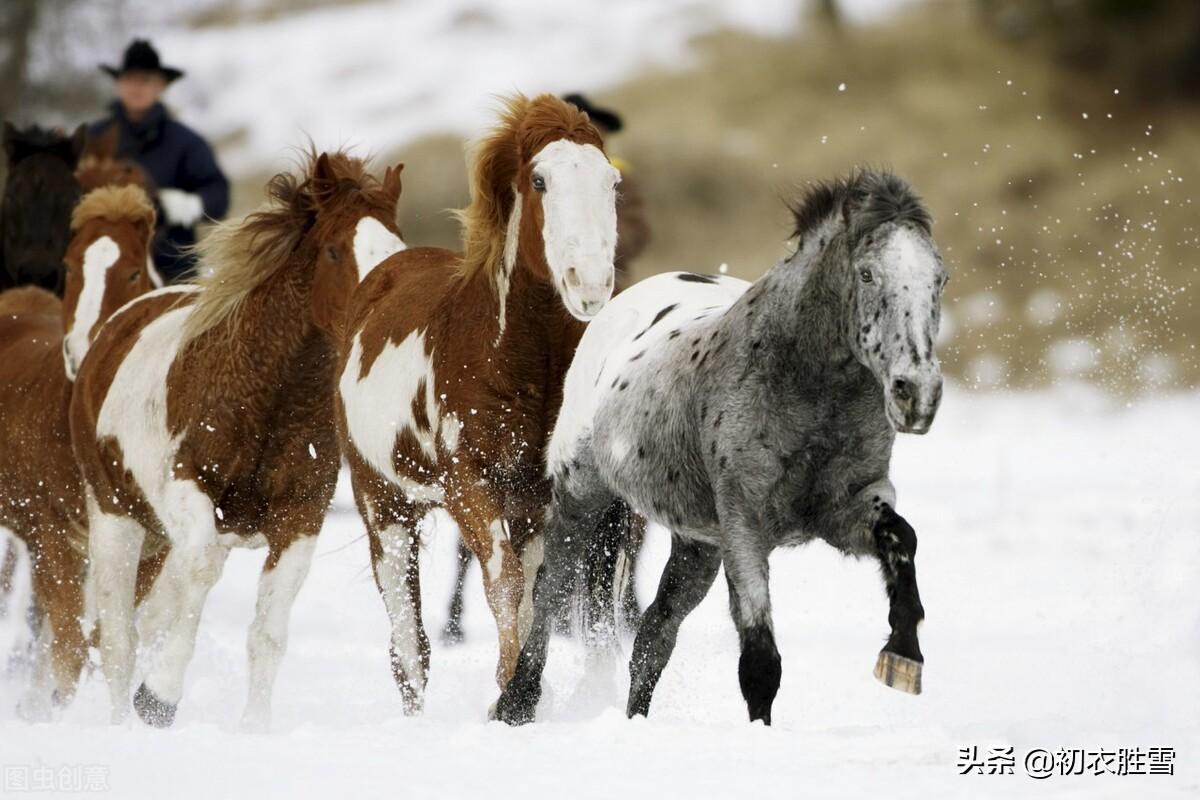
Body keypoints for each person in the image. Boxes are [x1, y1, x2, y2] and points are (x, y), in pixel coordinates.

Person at [440, 93, 652, 645]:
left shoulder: (612, 176)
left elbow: (638, 230)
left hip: (603, 282)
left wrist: (597, 242)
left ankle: (620, 587)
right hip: (549, 278)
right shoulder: (545, 176)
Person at [91, 39, 229, 282]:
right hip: (103, 273)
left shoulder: (187, 142)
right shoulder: (94, 139)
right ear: (119, 84)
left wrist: (188, 205)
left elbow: (219, 195)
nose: (137, 87)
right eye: (130, 79)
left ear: (161, 86)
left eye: (145, 80)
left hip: (171, 270)